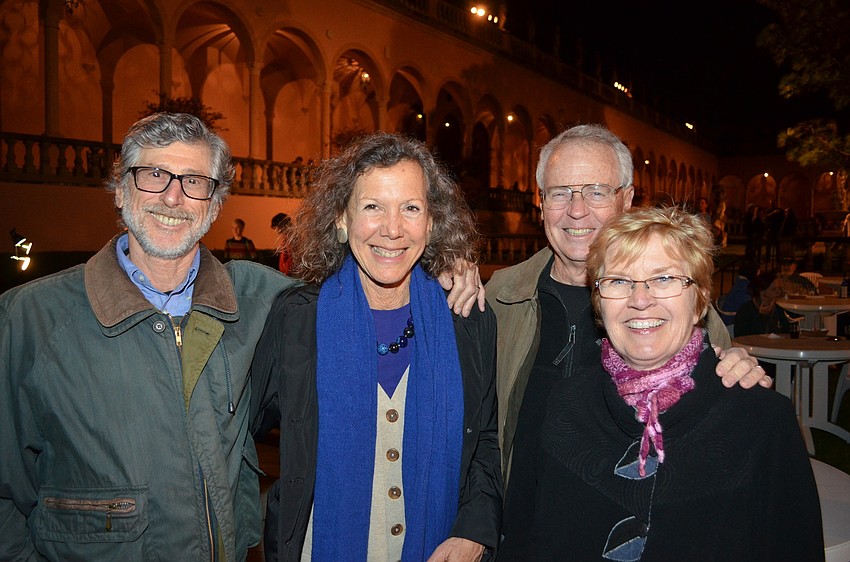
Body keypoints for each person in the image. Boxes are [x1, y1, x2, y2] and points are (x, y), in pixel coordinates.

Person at [0, 112, 303, 560]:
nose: (173, 196)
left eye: (195, 180)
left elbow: (359, 299)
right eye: (155, 175)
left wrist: (442, 270)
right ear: (120, 191)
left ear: (215, 203)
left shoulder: (260, 299)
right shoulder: (31, 317)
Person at [498, 206, 823, 560]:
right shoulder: (566, 404)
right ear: (599, 304)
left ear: (699, 301)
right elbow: (534, 543)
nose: (640, 299)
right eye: (618, 281)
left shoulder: (762, 420)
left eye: (664, 278)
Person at [250, 132, 502, 561]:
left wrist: (473, 532)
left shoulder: (467, 319)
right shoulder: (296, 320)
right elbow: (237, 440)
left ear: (432, 220)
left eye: (410, 208)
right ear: (342, 219)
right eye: (372, 207)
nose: (392, 229)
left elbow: (485, 442)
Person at [485, 124, 769, 482]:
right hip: (521, 523)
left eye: (597, 192)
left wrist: (736, 366)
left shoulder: (671, 303)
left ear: (627, 199)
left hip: (627, 519)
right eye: (560, 193)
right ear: (541, 203)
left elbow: (721, 419)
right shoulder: (501, 296)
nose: (576, 210)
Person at [734, 270, 793, 337]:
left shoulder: (779, 308)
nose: (778, 292)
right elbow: (742, 336)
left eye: (779, 288)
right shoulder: (745, 310)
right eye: (774, 289)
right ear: (761, 291)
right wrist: (761, 317)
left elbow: (786, 332)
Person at [717, 258, 760, 325]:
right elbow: (750, 308)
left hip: (729, 319)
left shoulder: (740, 284)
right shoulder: (743, 289)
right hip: (732, 322)